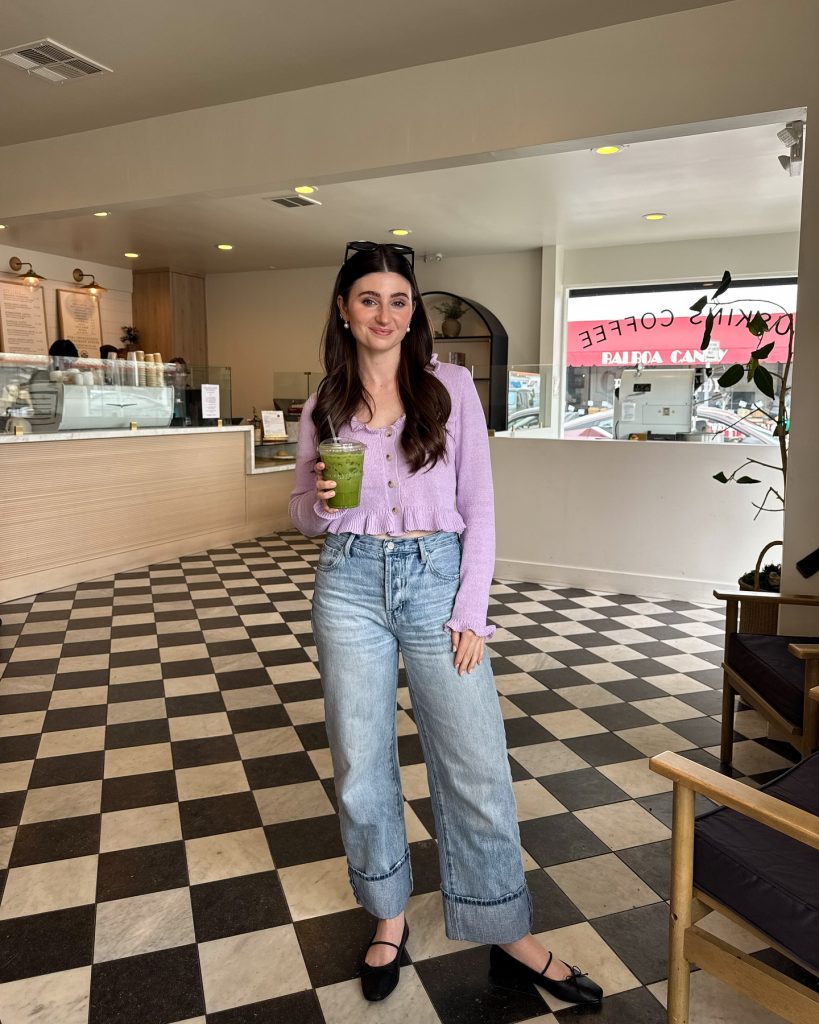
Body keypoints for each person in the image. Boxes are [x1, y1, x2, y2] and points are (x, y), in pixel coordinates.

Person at [289, 242, 602, 1006]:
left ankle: (505, 931)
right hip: (349, 583)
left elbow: (481, 507)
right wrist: (324, 504)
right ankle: (387, 915)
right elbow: (300, 513)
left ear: (413, 311)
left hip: (435, 582)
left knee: (474, 762)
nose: (385, 314)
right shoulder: (322, 403)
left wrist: (471, 610)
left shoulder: (450, 387)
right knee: (361, 764)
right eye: (369, 298)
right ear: (342, 309)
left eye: (399, 300)